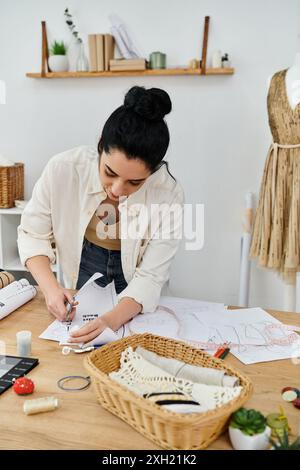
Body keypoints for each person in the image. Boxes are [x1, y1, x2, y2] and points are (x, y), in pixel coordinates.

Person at [17, 86, 184, 343]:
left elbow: (151, 276)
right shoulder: (64, 169)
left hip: (136, 289)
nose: (117, 189)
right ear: (100, 148)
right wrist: (51, 290)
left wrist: (111, 319)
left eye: (134, 182)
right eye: (110, 172)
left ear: (152, 173)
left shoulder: (168, 194)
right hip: (84, 266)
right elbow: (32, 234)